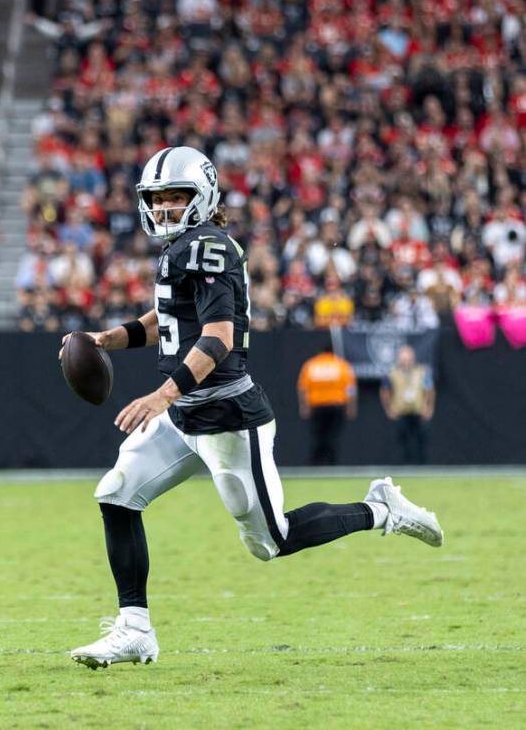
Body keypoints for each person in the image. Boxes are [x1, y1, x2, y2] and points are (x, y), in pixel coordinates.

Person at [61, 146, 443, 670]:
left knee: (271, 541)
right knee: (116, 494)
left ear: (204, 195)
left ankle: (382, 509)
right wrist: (111, 337)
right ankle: (135, 630)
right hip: (184, 416)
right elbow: (166, 317)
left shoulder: (211, 247)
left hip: (227, 417)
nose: (165, 208)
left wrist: (162, 394)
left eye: (176, 197)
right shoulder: (180, 248)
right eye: (157, 199)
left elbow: (217, 337)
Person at [296, 344, 357, 464]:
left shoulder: (312, 365)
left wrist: (304, 406)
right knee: (333, 437)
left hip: (317, 406)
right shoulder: (341, 365)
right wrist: (351, 407)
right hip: (336, 406)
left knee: (318, 436)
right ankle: (331, 463)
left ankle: (316, 464)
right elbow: (351, 389)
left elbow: (302, 388)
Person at [380, 345, 435, 464]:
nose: (406, 362)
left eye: (408, 359)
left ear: (413, 358)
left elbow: (429, 389)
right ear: (399, 359)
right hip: (401, 411)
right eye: (404, 359)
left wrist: (429, 407)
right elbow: (384, 391)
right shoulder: (392, 373)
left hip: (418, 411)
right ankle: (404, 468)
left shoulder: (422, 372)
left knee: (421, 440)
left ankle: (422, 466)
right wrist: (388, 409)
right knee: (402, 441)